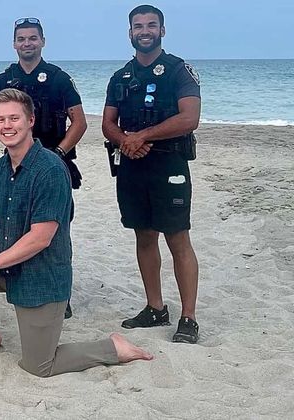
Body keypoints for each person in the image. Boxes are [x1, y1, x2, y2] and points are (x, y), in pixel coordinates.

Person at [0, 88, 153, 377]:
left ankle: (112, 347)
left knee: (39, 365)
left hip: (41, 275)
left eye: (14, 118)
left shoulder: (50, 170)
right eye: (0, 120)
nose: (7, 126)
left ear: (30, 120)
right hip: (6, 265)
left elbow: (40, 237)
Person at [102, 5, 202, 344]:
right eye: (138, 26)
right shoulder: (120, 77)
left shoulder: (178, 71)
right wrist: (126, 141)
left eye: (151, 25)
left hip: (169, 165)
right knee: (144, 236)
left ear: (162, 30)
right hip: (132, 165)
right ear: (130, 33)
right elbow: (107, 123)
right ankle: (155, 307)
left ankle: (188, 317)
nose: (145, 30)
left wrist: (142, 136)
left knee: (177, 237)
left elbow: (189, 119)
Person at [0, 17, 87, 318]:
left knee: (56, 230)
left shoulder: (58, 78)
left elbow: (79, 122)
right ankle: (19, 279)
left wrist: (57, 153)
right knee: (15, 223)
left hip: (54, 165)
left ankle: (59, 294)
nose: (27, 43)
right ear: (14, 44)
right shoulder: (3, 81)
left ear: (42, 41)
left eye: (32, 38)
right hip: (12, 166)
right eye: (21, 39)